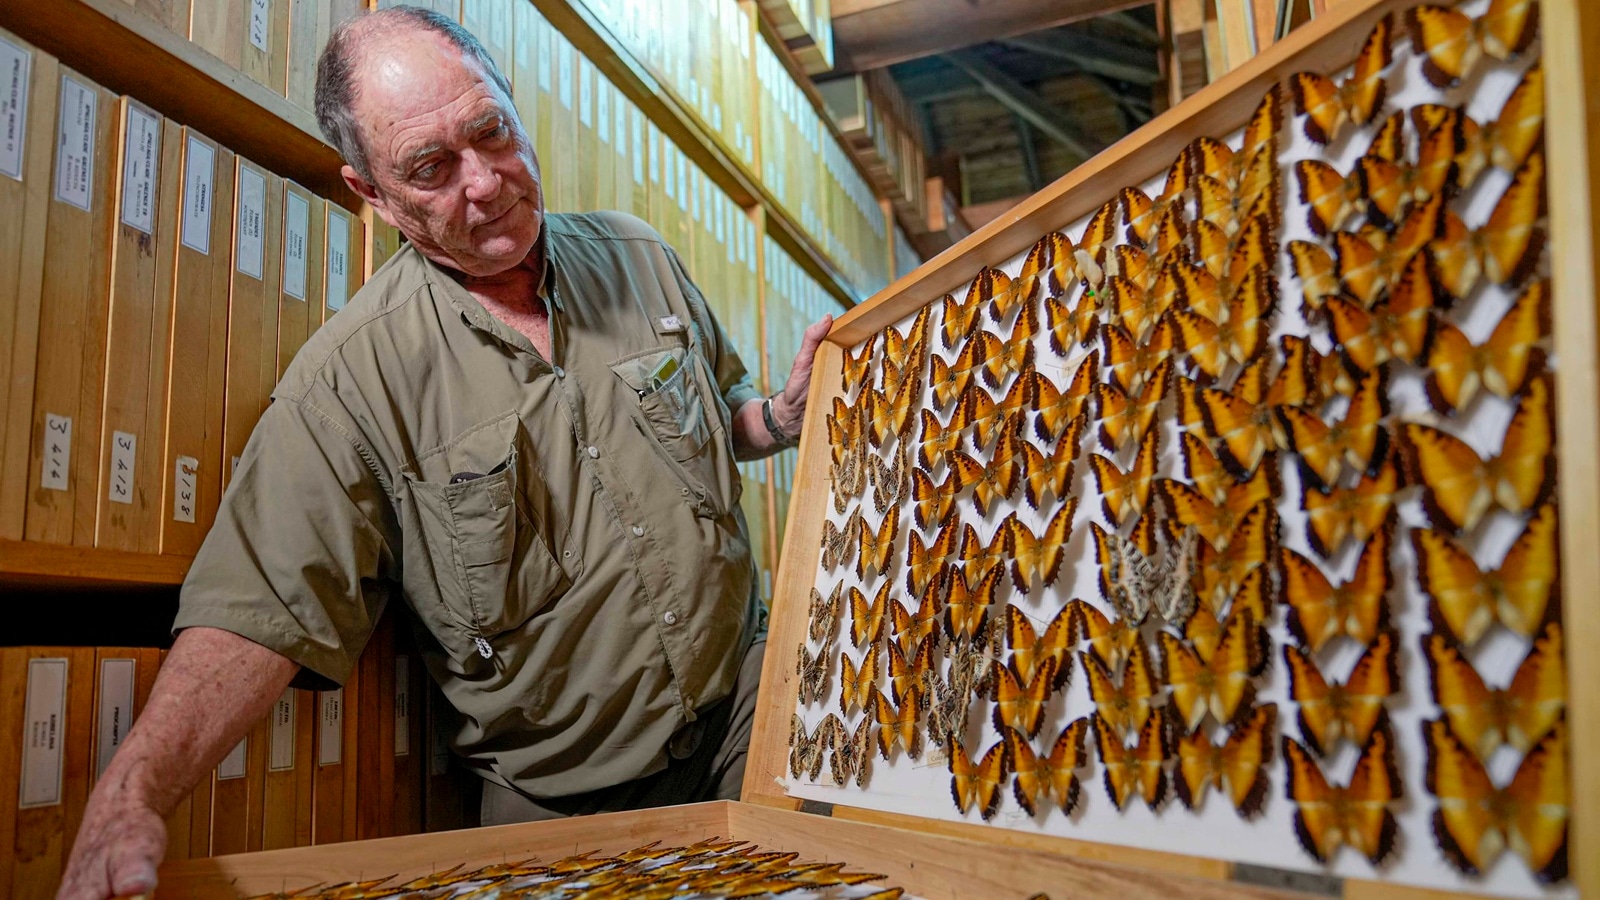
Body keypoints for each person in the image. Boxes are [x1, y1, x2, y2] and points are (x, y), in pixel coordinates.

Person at [57, 7, 831, 898]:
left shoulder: (639, 255)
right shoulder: (353, 381)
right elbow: (257, 608)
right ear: (373, 194)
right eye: (431, 167)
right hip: (570, 805)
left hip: (753, 716)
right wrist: (132, 796)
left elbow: (717, 418)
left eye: (491, 131)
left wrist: (777, 417)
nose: (486, 182)